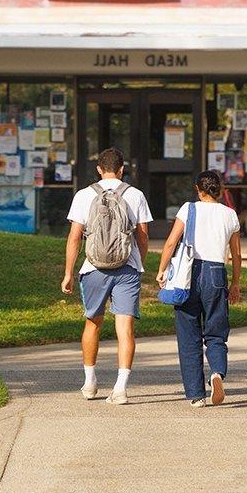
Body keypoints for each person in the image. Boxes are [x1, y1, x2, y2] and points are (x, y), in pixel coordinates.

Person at [61, 148, 152, 404]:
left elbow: (75, 237)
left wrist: (68, 272)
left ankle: (90, 382)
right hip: (127, 268)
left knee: (93, 323)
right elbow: (142, 236)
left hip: (93, 268)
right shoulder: (135, 195)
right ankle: (121, 388)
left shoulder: (83, 195)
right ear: (122, 169)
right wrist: (138, 263)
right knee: (125, 328)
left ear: (99, 169)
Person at [155, 170, 243, 406]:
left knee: (189, 336)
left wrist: (162, 269)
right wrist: (235, 283)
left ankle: (195, 396)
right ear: (220, 189)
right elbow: (236, 254)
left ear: (198, 189)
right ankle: (216, 372)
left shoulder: (188, 208)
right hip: (216, 273)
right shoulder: (230, 215)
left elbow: (172, 241)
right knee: (216, 331)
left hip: (188, 272)